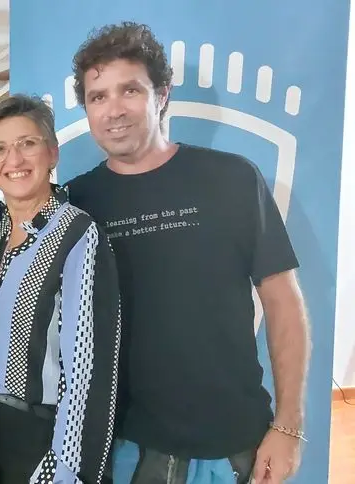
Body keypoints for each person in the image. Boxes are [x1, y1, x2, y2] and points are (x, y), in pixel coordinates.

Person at [64, 22, 311, 484]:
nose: (113, 110)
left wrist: (289, 425)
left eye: (129, 90)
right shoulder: (77, 203)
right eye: (98, 97)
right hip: (128, 447)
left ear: (162, 94)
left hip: (239, 443)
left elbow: (283, 301)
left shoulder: (233, 179)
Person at [0, 94, 121, 484]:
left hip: (37, 436)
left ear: (52, 153)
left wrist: (65, 469)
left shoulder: (77, 234)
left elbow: (87, 369)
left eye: (27, 144)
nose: (13, 160)